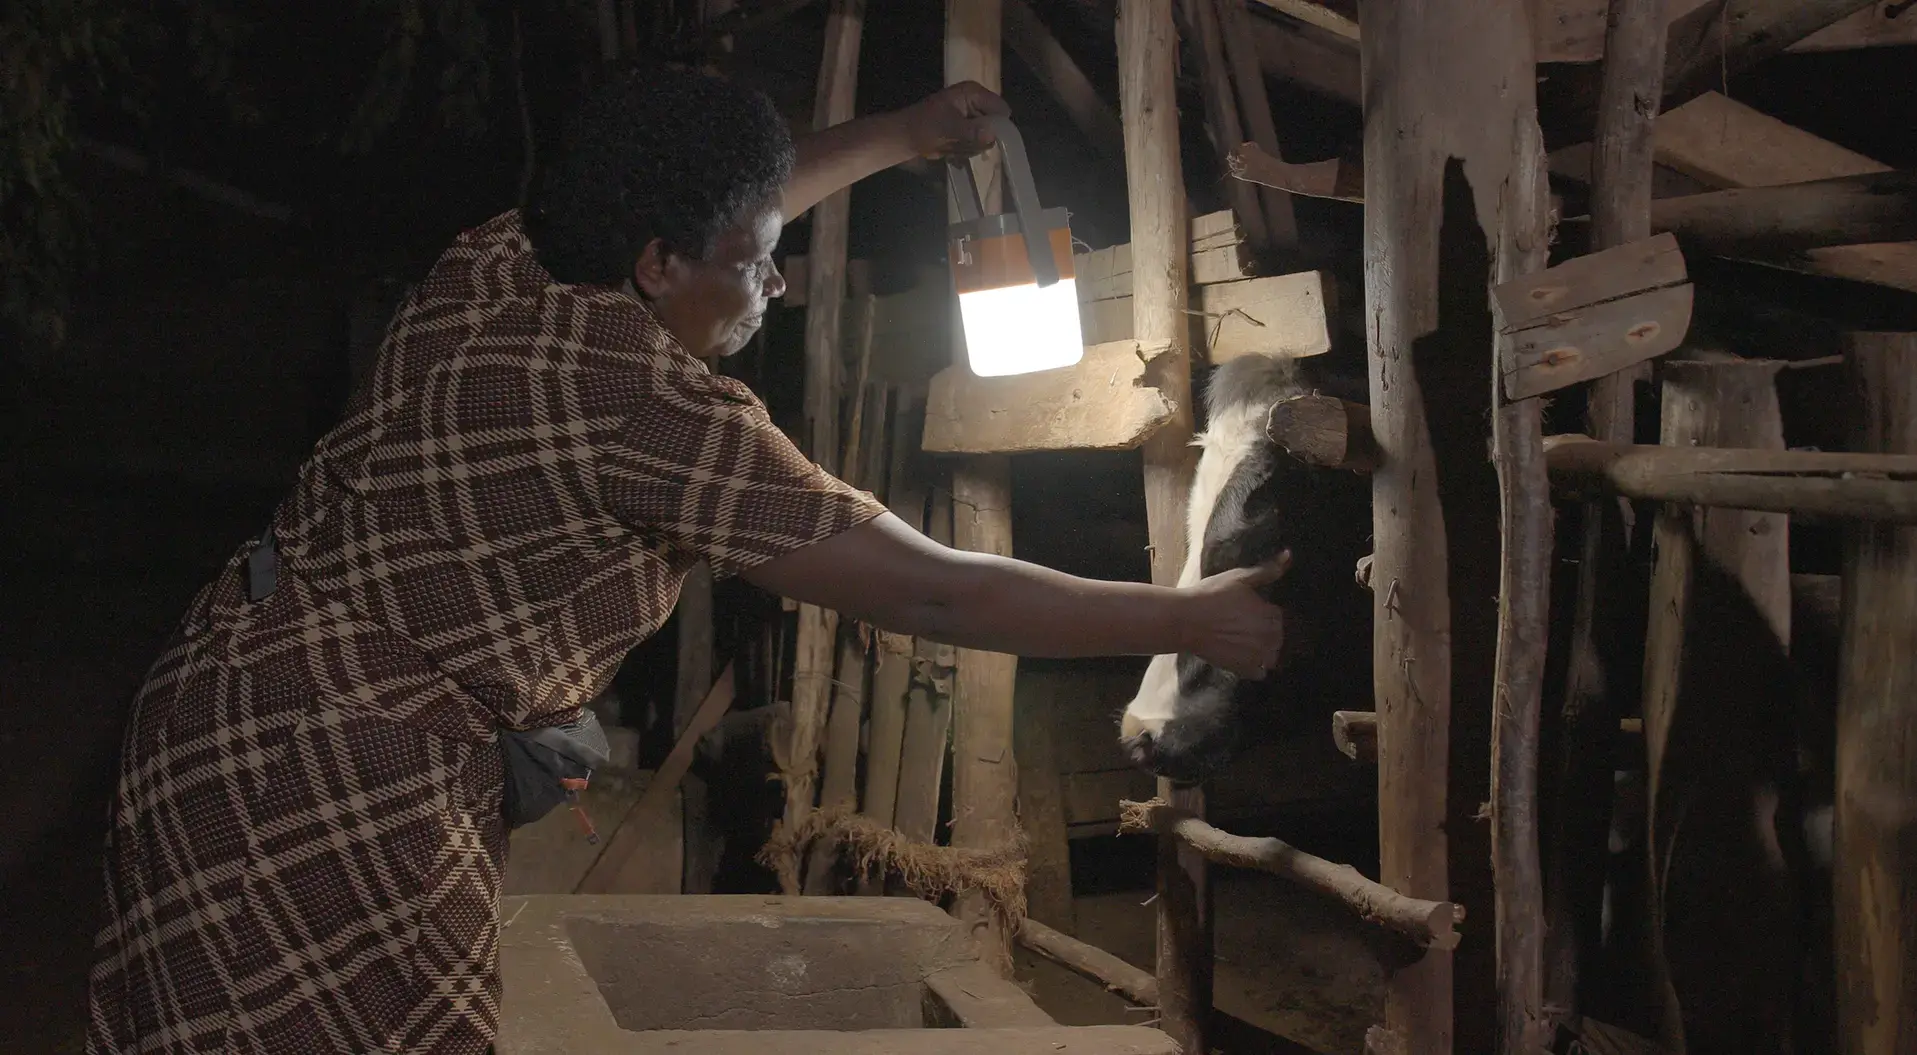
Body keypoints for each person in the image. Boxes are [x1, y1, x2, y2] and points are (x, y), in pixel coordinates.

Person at [84, 64, 1286, 1055]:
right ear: (660, 263)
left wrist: (895, 132)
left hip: (227, 696)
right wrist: (1189, 619)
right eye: (753, 256)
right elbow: (934, 584)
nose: (772, 279)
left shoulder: (503, 261)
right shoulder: (652, 411)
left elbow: (738, 193)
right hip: (328, 774)